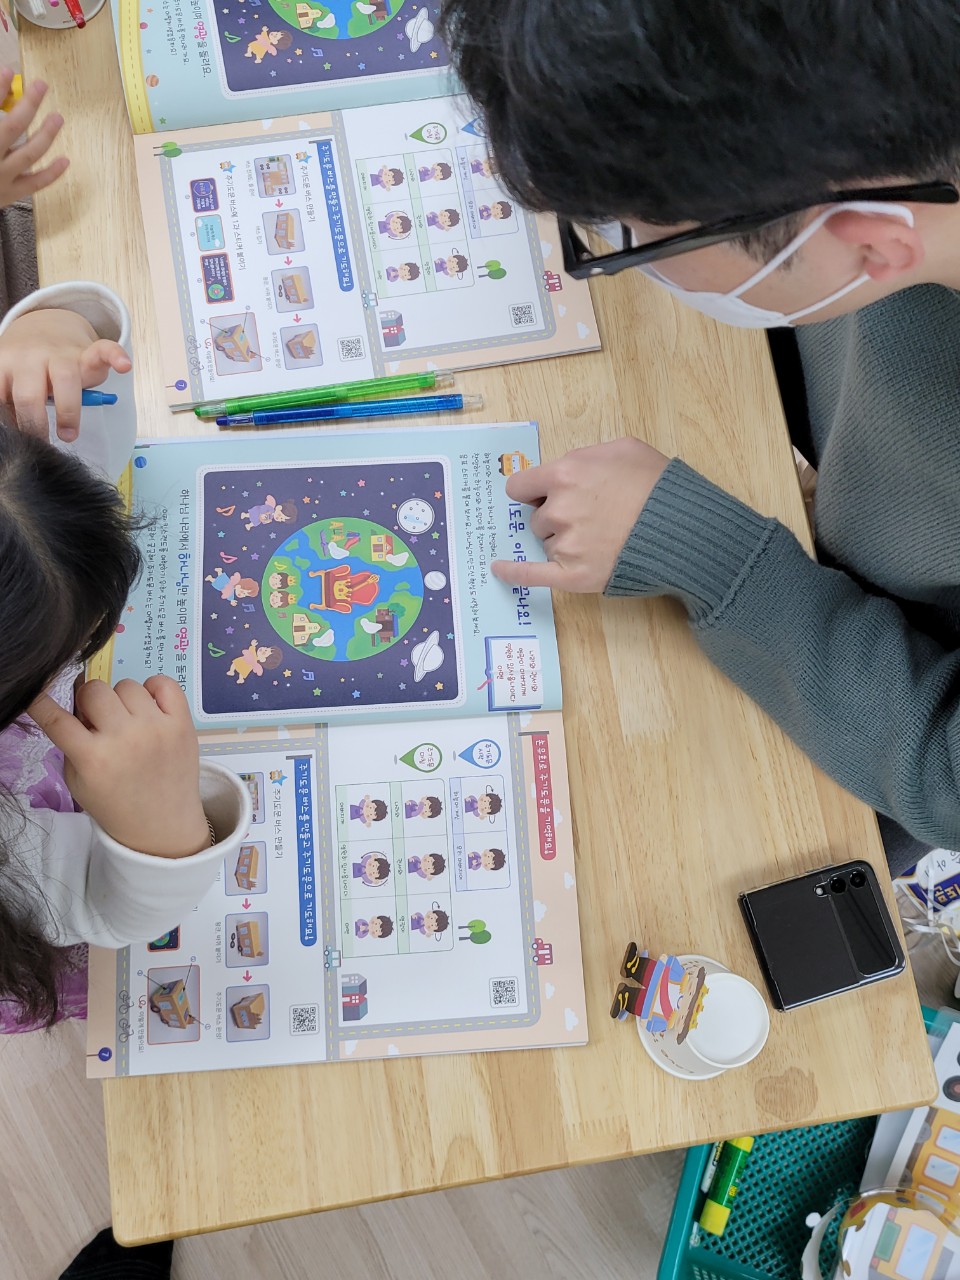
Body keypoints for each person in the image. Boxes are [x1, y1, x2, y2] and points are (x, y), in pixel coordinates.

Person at [440, 0, 960, 872]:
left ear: (872, 247)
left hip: (878, 701)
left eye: (630, 234)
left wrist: (719, 561)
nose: (617, 244)